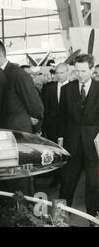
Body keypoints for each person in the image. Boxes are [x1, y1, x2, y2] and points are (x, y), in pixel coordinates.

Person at [0, 39, 44, 196]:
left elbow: (36, 107)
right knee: (6, 181)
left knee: (21, 181)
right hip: (0, 138)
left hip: (18, 137)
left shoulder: (17, 74)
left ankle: (26, 215)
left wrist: (34, 126)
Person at [58, 54, 99, 218]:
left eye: (83, 71)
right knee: (67, 182)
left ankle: (93, 218)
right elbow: (62, 118)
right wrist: (60, 139)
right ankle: (58, 216)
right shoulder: (67, 89)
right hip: (71, 143)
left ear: (91, 69)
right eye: (77, 71)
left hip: (93, 143)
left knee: (93, 184)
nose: (80, 74)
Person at [41, 63, 70, 187]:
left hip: (68, 127)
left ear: (68, 72)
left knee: (67, 153)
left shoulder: (73, 87)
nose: (59, 75)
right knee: (55, 153)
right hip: (52, 126)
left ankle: (67, 179)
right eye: (57, 73)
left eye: (62, 72)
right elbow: (45, 108)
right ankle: (57, 177)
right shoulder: (49, 88)